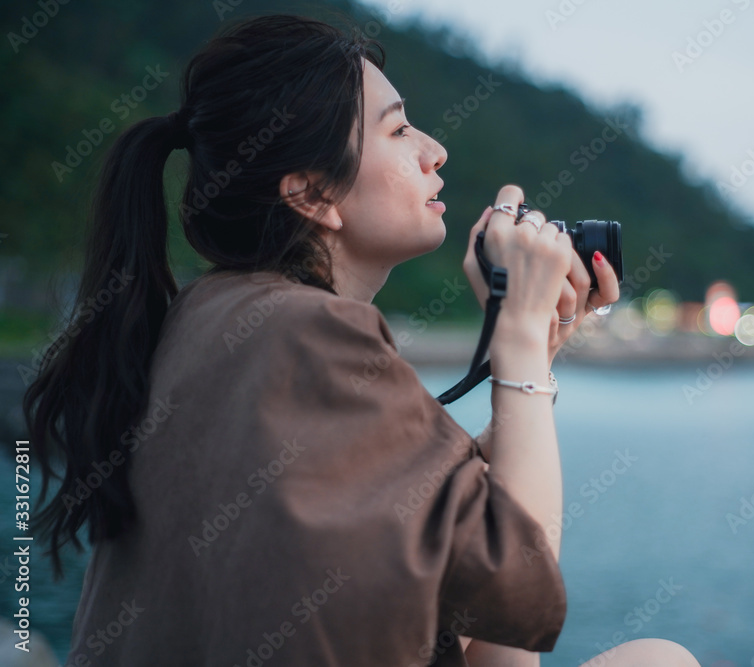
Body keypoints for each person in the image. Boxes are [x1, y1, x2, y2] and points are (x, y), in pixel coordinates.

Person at [23, 13, 699, 667]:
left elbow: (476, 584)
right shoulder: (311, 332)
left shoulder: (215, 312)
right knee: (662, 657)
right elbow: (518, 581)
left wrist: (533, 349)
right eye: (400, 130)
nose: (436, 150)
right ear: (313, 194)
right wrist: (517, 339)